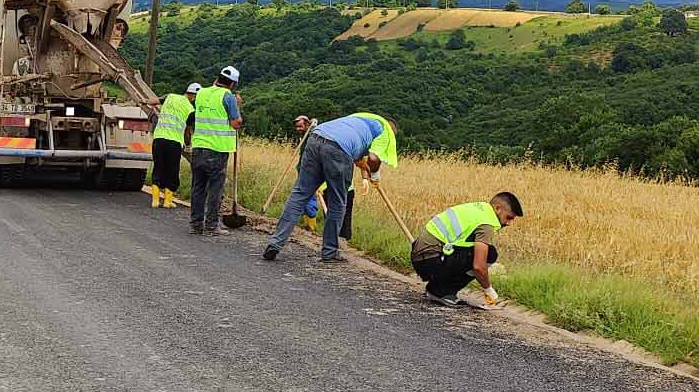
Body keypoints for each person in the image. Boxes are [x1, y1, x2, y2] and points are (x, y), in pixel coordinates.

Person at [262, 111, 397, 263]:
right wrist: (375, 175)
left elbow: (357, 151)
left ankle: (274, 243)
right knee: (337, 202)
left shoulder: (359, 119)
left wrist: (362, 166)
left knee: (299, 195)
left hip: (316, 138)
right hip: (338, 149)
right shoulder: (385, 130)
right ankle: (330, 252)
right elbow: (373, 158)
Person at [410, 193, 523, 305]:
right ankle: (440, 292)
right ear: (498, 208)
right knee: (490, 254)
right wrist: (488, 289)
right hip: (430, 262)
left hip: (421, 257)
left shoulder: (478, 209)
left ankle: (436, 288)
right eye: (508, 218)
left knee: (478, 252)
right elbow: (478, 266)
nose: (508, 223)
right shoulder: (486, 223)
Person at [187, 67, 243, 234]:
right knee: (215, 188)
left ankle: (196, 224)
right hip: (217, 149)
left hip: (198, 147)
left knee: (198, 187)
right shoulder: (228, 97)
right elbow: (235, 123)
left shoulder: (202, 93)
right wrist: (238, 107)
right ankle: (211, 225)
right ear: (232, 83)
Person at [147, 82, 200, 209]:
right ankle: (167, 201)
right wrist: (188, 144)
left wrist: (143, 101)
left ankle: (155, 200)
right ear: (194, 97)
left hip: (159, 139)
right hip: (174, 142)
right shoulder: (191, 110)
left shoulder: (170, 97)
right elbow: (187, 130)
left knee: (158, 167)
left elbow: (153, 101)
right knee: (172, 170)